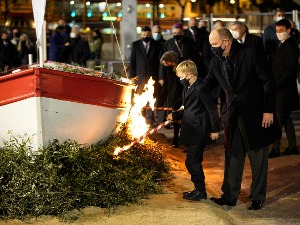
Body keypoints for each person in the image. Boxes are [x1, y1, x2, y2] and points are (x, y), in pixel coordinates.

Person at [200, 28, 280, 210]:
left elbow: (268, 81)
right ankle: (229, 195)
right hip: (232, 116)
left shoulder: (250, 52)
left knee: (258, 158)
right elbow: (205, 87)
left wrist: (268, 111)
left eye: (215, 44)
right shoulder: (216, 61)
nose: (212, 48)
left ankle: (257, 197)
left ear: (226, 41)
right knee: (233, 156)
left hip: (256, 115)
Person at [166, 60, 219, 201]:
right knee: (191, 161)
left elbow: (212, 110)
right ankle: (198, 189)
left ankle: (201, 191)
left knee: (192, 161)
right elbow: (188, 108)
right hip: (191, 128)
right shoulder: (188, 87)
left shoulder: (201, 88)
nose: (180, 80)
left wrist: (215, 130)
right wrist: (176, 115)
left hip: (199, 130)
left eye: (181, 77)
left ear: (189, 75)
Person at [268, 19, 299, 158]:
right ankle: (292, 146)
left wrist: (277, 84)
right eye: (277, 31)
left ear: (288, 31)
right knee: (286, 119)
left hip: (284, 90)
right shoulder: (282, 44)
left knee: (279, 120)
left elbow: (290, 70)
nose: (278, 33)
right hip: (281, 89)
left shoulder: (290, 46)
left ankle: (276, 147)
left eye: (281, 31)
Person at [129, 26, 162, 126]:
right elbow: (133, 62)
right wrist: (132, 77)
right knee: (139, 98)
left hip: (152, 77)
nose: (145, 36)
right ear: (141, 35)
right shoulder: (136, 45)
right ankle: (141, 119)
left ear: (150, 35)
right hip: (140, 77)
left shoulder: (157, 45)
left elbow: (159, 62)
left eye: (147, 35)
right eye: (144, 35)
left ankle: (150, 120)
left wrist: (160, 77)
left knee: (151, 98)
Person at [157, 51, 182, 147]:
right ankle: (176, 139)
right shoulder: (168, 70)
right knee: (175, 121)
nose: (164, 65)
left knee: (185, 121)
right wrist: (159, 103)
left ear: (170, 61)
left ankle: (188, 141)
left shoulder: (182, 68)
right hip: (173, 98)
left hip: (181, 97)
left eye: (165, 63)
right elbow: (166, 87)